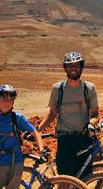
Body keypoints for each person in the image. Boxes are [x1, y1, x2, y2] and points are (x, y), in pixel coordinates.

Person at [37, 51, 99, 181]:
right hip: (65, 139)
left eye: (76, 65)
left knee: (84, 179)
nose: (73, 68)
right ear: (65, 68)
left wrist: (92, 123)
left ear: (81, 67)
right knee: (64, 179)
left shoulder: (89, 88)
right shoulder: (57, 89)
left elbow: (94, 113)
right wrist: (38, 130)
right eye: (70, 65)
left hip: (84, 138)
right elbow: (52, 112)